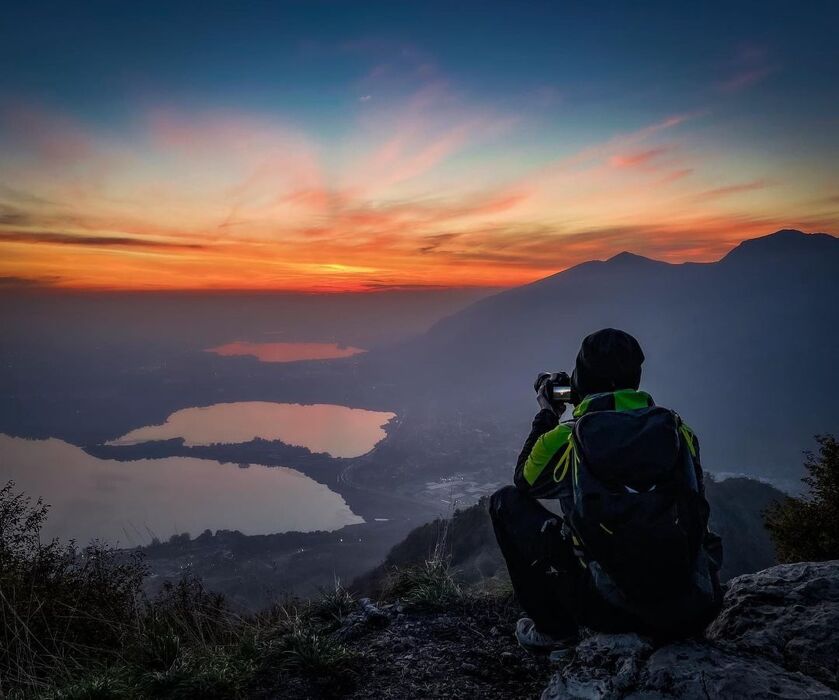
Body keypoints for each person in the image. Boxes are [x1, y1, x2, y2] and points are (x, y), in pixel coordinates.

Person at [490, 328, 723, 652]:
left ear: (579, 380)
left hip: (609, 610)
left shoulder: (569, 438)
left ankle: (554, 631)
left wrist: (548, 413)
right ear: (636, 379)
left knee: (504, 503)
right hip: (689, 607)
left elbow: (524, 482)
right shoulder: (678, 432)